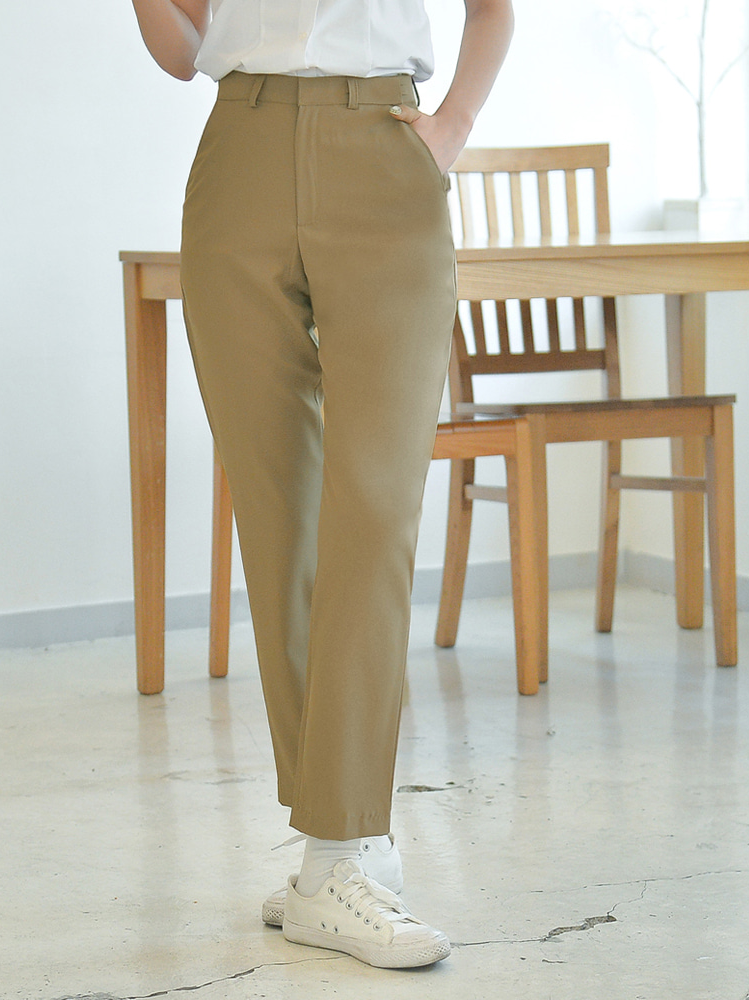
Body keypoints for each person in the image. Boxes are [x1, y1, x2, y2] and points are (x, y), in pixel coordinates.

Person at [130, 0, 514, 969]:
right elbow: (181, 48)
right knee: (278, 513)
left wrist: (453, 127)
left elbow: (492, 8)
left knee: (375, 507)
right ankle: (337, 851)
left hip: (384, 147)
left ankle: (338, 850)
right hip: (241, 151)